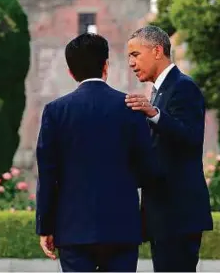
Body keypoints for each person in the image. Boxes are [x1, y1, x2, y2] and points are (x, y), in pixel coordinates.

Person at [36, 32, 162, 272]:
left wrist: (45, 227)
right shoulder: (131, 107)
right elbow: (148, 170)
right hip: (121, 227)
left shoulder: (55, 111)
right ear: (106, 65)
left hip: (73, 228)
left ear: (71, 72)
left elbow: (47, 174)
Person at [125, 25, 213, 272]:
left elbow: (191, 137)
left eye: (135, 55)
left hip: (178, 214)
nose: (131, 63)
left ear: (156, 51)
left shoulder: (183, 87)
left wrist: (153, 113)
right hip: (164, 214)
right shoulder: (159, 91)